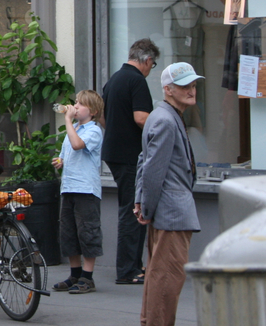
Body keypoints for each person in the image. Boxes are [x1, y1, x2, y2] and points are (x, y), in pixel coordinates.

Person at [135, 62, 202, 326]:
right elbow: (152, 168)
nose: (191, 90)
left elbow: (144, 161)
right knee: (166, 279)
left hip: (166, 211)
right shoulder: (165, 119)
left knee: (159, 276)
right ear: (168, 89)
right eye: (184, 86)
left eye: (193, 85)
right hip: (171, 213)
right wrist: (146, 207)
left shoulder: (163, 116)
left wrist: (141, 202)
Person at [102, 38, 160, 286]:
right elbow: (141, 118)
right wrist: (163, 130)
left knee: (132, 208)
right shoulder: (137, 80)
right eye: (152, 65)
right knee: (133, 210)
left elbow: (102, 116)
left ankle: (134, 265)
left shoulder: (114, 79)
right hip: (130, 154)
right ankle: (127, 270)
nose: (150, 70)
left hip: (114, 151)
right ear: (147, 60)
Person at [52, 90, 105, 294]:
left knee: (87, 231)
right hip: (69, 187)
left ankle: (87, 277)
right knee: (69, 232)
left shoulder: (94, 130)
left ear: (93, 111)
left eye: (81, 104)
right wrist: (60, 161)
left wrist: (67, 119)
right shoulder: (73, 128)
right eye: (75, 102)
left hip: (86, 189)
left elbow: (77, 145)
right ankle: (74, 274)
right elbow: (67, 152)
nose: (75, 107)